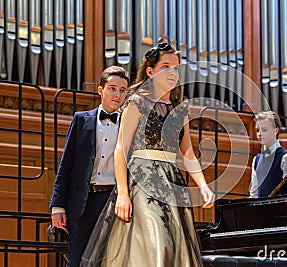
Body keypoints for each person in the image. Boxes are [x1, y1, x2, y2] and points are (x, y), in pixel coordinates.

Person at [80, 42, 215, 267]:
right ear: (151, 71)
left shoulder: (179, 108)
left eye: (176, 67)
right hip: (142, 181)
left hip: (172, 182)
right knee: (155, 244)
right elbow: (121, 149)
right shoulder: (137, 102)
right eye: (166, 66)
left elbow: (188, 151)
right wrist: (122, 193)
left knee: (174, 249)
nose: (173, 72)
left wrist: (203, 185)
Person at [49, 66, 130, 267]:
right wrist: (57, 205)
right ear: (101, 90)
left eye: (122, 90)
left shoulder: (129, 126)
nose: (117, 94)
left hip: (112, 201)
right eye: (112, 88)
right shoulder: (81, 120)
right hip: (81, 202)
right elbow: (66, 164)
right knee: (76, 262)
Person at [249, 111, 287, 198]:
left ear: (276, 130)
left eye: (264, 130)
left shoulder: (285, 158)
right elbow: (254, 194)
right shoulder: (256, 159)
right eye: (257, 130)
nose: (259, 134)